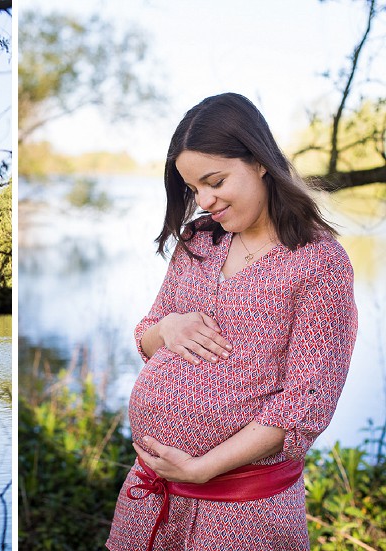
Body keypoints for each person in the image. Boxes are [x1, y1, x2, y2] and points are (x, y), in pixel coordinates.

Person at [106, 92, 358, 551]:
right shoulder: (199, 243)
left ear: (259, 161)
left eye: (215, 181)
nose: (205, 200)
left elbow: (303, 407)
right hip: (151, 492)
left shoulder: (318, 263)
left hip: (241, 511)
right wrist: (169, 328)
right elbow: (146, 338)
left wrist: (203, 468)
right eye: (193, 189)